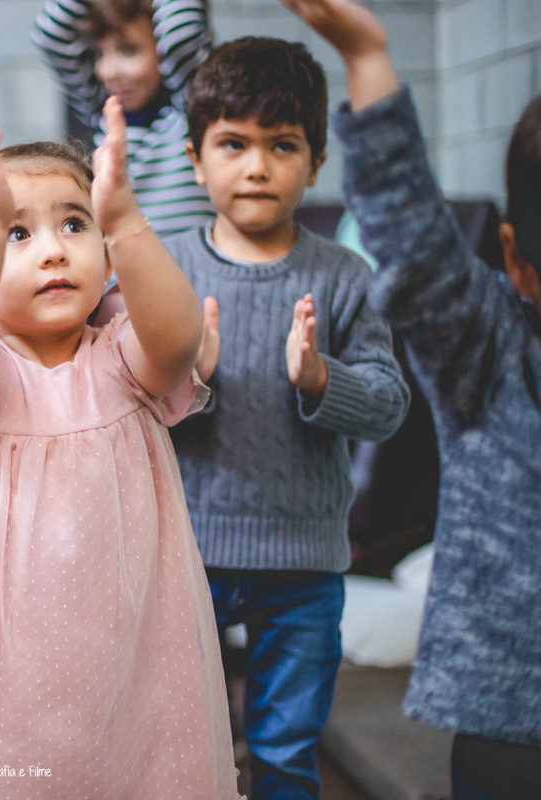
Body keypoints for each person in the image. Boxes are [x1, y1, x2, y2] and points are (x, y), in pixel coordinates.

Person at [0, 95, 237, 800]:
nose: (53, 249)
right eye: (16, 234)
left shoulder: (121, 362)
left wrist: (125, 222)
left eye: (75, 224)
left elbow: (175, 340)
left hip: (129, 653)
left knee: (133, 766)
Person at [280, 0, 541, 796]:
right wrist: (365, 53)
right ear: (518, 262)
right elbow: (412, 234)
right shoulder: (490, 350)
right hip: (511, 730)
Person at [162, 35, 410, 799]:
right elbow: (121, 404)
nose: (258, 165)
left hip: (304, 566)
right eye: (233, 143)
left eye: (283, 144)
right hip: (186, 558)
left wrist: (319, 376)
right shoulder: (163, 267)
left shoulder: (344, 277)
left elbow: (390, 405)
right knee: (174, 746)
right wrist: (185, 376)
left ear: (317, 160)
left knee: (285, 754)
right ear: (196, 158)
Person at [32, 0, 215, 235]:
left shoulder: (190, 107)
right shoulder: (100, 108)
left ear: (163, 52)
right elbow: (50, 36)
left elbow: (180, 36)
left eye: (128, 50)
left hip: (184, 271)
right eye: (100, 53)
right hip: (121, 271)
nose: (108, 71)